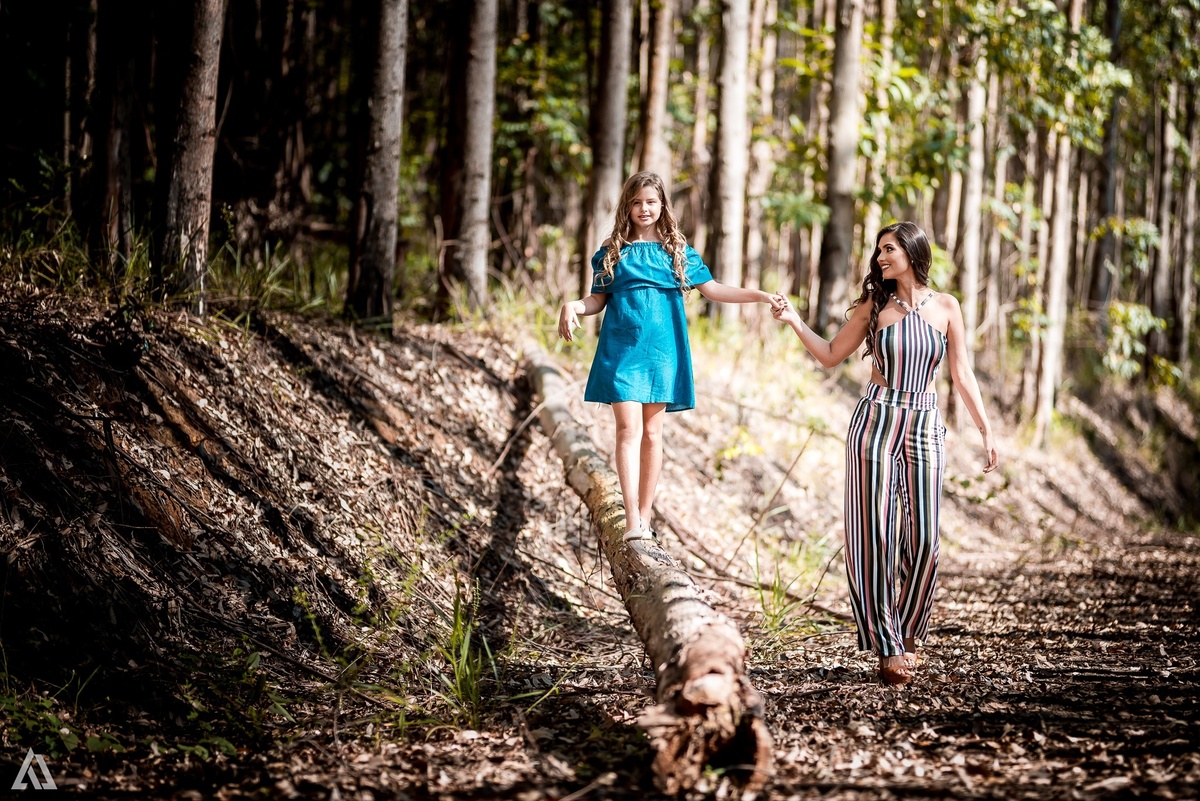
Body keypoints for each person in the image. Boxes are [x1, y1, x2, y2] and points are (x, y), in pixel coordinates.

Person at [771, 221, 998, 686]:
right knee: (872, 533)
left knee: (927, 540)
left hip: (925, 423)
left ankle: (909, 628)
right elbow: (832, 354)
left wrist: (985, 427)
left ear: (912, 252)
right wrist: (795, 320)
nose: (880, 258)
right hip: (875, 420)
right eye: (878, 251)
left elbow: (962, 373)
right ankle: (888, 643)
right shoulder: (874, 305)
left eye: (889, 249)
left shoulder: (947, 307)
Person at [558, 171, 783, 542]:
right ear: (626, 207)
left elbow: (713, 290)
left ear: (662, 205)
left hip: (663, 353)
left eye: (651, 202)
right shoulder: (613, 252)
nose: (644, 208)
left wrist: (758, 295)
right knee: (627, 430)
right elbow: (597, 299)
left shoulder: (677, 253)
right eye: (636, 202)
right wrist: (574, 306)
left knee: (653, 433)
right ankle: (632, 520)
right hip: (621, 349)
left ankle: (645, 517)